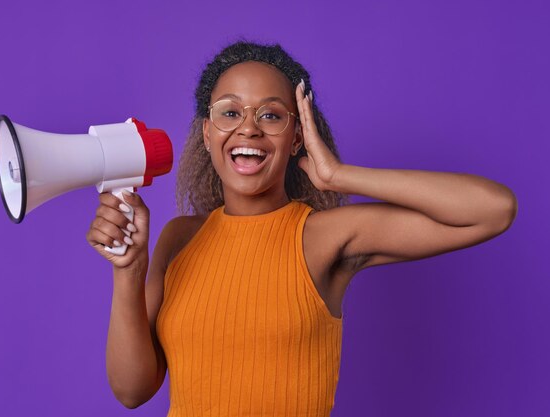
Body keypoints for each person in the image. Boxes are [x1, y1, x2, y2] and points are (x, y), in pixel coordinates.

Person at [85, 40, 517, 416]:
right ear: (206, 132)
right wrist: (128, 271)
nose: (248, 127)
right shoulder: (179, 237)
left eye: (271, 116)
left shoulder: (325, 236)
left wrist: (339, 176)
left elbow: (492, 209)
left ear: (296, 137)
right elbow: (131, 390)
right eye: (230, 111)